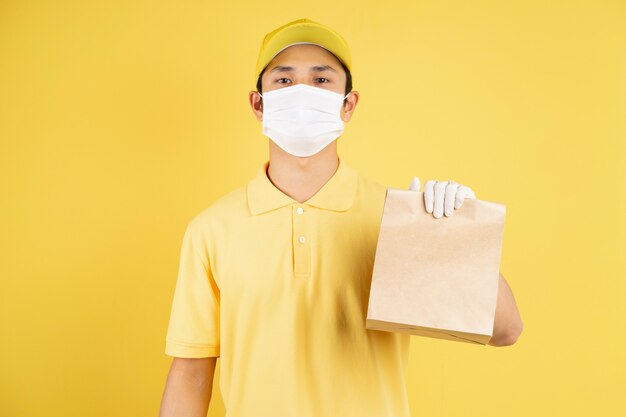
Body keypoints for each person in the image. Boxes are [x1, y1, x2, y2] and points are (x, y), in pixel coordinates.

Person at [159, 18, 523, 417]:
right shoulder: (211, 230)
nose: (302, 93)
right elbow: (192, 371)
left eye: (321, 80)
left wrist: (455, 236)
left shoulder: (396, 216)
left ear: (348, 104)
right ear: (257, 104)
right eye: (284, 80)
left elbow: (505, 331)